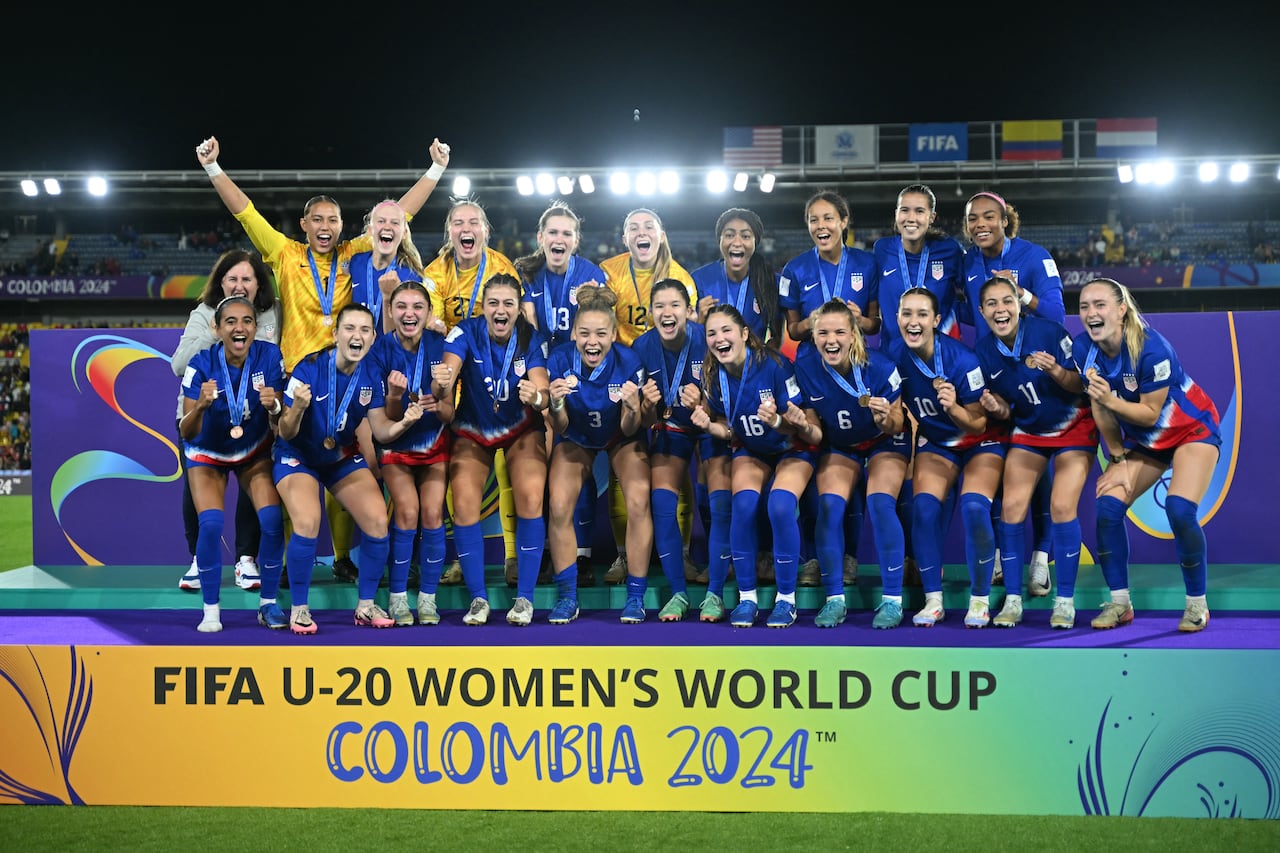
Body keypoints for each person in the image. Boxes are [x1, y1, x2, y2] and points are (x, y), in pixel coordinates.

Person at [195, 134, 450, 586]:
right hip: (299, 379)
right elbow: (246, 214)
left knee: (349, 461)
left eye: (333, 219)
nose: (326, 226)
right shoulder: (285, 254)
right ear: (305, 224)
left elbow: (398, 217)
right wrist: (214, 167)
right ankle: (293, 566)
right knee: (295, 468)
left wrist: (434, 171)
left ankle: (345, 558)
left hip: (350, 377)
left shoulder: (353, 253)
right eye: (318, 220)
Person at [1075, 277, 1221, 633]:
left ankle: (1196, 605)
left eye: (1100, 305)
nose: (1091, 313)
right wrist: (1117, 459)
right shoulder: (1083, 349)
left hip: (1191, 430)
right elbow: (1101, 410)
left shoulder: (1152, 349)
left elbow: (1150, 413)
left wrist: (1108, 399)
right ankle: (1120, 604)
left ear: (1121, 310)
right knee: (1108, 508)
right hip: (1147, 442)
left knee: (1179, 509)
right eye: (1084, 307)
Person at [273, 304, 412, 634]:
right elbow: (285, 431)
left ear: (373, 337)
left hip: (339, 458)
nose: (357, 336)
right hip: (298, 457)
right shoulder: (307, 369)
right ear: (335, 334)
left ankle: (365, 606)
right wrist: (298, 410)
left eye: (365, 330)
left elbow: (379, 431)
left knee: (378, 520)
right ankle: (300, 609)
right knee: (307, 521)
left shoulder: (371, 377)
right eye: (350, 328)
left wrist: (404, 421)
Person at [973, 275, 1097, 629]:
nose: (1001, 310)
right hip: (1029, 430)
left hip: (1074, 425)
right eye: (992, 304)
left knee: (1060, 506)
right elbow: (1008, 409)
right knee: (1011, 507)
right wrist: (997, 409)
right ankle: (1013, 600)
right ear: (982, 312)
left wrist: (1057, 370)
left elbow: (1081, 385)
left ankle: (1065, 602)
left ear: (1019, 304)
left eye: (1007, 301)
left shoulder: (1049, 332)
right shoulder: (984, 352)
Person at [960, 190, 1066, 593]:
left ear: (1006, 220)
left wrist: (1017, 293)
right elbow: (971, 311)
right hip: (993, 370)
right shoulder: (970, 262)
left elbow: (1056, 314)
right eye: (973, 219)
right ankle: (1008, 559)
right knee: (1003, 461)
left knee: (1038, 463)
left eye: (989, 216)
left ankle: (1042, 557)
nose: (981, 225)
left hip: (1037, 367)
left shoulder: (1034, 256)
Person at [691, 303, 820, 628]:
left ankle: (786, 600)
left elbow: (801, 425)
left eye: (726, 330)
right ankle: (747, 598)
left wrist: (779, 419)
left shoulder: (775, 366)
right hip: (752, 449)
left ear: (745, 334)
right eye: (711, 333)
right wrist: (708, 427)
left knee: (779, 505)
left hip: (792, 447)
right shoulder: (713, 375)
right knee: (744, 505)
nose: (719, 338)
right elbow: (730, 429)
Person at [432, 273, 550, 626]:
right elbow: (449, 371)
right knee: (465, 504)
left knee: (530, 496)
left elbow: (543, 391)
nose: (500, 310)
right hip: (473, 428)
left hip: (520, 428)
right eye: (493, 303)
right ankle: (479, 599)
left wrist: (538, 396)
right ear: (482, 307)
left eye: (508, 304)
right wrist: (442, 383)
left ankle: (525, 599)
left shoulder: (531, 337)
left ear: (518, 309)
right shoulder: (464, 332)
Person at [887, 287, 1006, 628]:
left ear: (936, 321)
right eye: (906, 314)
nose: (913, 321)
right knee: (923, 509)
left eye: (922, 314)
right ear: (896, 319)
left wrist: (952, 407)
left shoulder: (962, 361)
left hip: (979, 441)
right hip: (937, 442)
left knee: (973, 507)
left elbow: (980, 422)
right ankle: (933, 600)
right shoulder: (894, 355)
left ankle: (980, 600)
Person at [779, 190, 879, 589]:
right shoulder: (794, 268)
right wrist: (819, 321)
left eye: (828, 219)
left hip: (857, 370)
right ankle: (812, 558)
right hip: (811, 370)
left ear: (843, 222)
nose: (821, 226)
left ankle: (849, 558)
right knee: (816, 458)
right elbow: (792, 329)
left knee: (851, 462)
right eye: (814, 220)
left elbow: (877, 324)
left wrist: (856, 322)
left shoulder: (868, 263)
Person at [422, 198, 522, 587]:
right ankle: (465, 559)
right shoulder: (435, 272)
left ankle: (513, 557)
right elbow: (429, 318)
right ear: (450, 232)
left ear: (485, 231)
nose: (467, 229)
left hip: (495, 375)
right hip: (452, 373)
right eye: (459, 222)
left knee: (506, 464)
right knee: (457, 472)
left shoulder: (501, 267)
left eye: (474, 222)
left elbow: (512, 321)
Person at [795, 299, 910, 628]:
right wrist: (802, 425)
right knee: (829, 507)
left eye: (840, 332)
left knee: (880, 503)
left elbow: (899, 423)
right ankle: (834, 600)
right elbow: (815, 431)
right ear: (813, 337)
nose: (831, 340)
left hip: (884, 441)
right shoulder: (805, 368)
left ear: (855, 334)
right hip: (841, 445)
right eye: (823, 333)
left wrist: (885, 418)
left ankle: (891, 601)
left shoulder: (881, 366)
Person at [172, 249, 280, 593]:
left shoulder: (274, 311)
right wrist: (218, 328)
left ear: (257, 283)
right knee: (196, 489)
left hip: (253, 415)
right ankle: (198, 559)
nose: (239, 285)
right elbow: (179, 365)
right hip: (202, 413)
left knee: (254, 486)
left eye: (247, 278)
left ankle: (246, 558)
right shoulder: (203, 313)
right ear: (221, 283)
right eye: (232, 279)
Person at [599, 208, 697, 584]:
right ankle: (624, 555)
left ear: (661, 234)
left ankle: (683, 554)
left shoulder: (680, 278)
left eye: (649, 226)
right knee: (623, 467)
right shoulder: (609, 271)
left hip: (668, 379)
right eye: (633, 228)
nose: (641, 233)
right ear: (625, 239)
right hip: (623, 378)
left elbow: (691, 333)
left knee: (676, 464)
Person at [543, 286, 650, 624]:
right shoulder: (559, 360)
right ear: (573, 333)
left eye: (601, 334)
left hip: (619, 435)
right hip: (576, 437)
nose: (593, 342)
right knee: (559, 505)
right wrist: (556, 404)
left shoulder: (629, 361)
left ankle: (635, 596)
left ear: (614, 334)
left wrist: (633, 408)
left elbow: (631, 428)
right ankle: (568, 597)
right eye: (585, 333)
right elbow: (559, 427)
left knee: (637, 500)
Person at [514, 202, 608, 586]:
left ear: (576, 240)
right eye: (552, 232)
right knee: (540, 465)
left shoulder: (590, 273)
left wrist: (597, 299)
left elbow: (602, 324)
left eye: (566, 233)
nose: (559, 239)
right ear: (540, 238)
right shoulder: (523, 272)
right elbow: (524, 326)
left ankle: (580, 555)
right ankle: (537, 552)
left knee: (573, 460)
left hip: (576, 375)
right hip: (537, 371)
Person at [689, 207, 784, 585]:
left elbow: (776, 339)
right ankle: (724, 558)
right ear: (719, 240)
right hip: (713, 389)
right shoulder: (699, 279)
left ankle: (761, 556)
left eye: (745, 234)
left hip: (755, 392)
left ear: (756, 241)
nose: (737, 241)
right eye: (729, 233)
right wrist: (698, 320)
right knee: (711, 473)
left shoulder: (769, 282)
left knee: (752, 481)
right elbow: (687, 333)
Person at [632, 278, 720, 621]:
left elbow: (732, 397)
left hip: (709, 429)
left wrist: (706, 404)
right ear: (650, 313)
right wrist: (648, 407)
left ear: (689, 311)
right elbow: (641, 421)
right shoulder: (642, 347)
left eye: (674, 306)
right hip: (671, 430)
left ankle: (713, 593)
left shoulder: (707, 339)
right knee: (662, 501)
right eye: (659, 306)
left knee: (719, 499)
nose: (667, 313)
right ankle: (678, 593)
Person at [364, 281, 451, 626]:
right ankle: (398, 598)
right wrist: (396, 397)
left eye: (418, 307)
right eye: (401, 306)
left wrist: (442, 394)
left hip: (433, 440)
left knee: (432, 515)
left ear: (429, 314)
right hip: (396, 442)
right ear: (390, 311)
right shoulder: (378, 352)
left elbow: (448, 413)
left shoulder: (442, 346)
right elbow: (386, 418)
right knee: (408, 512)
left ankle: (428, 599)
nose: (409, 313)